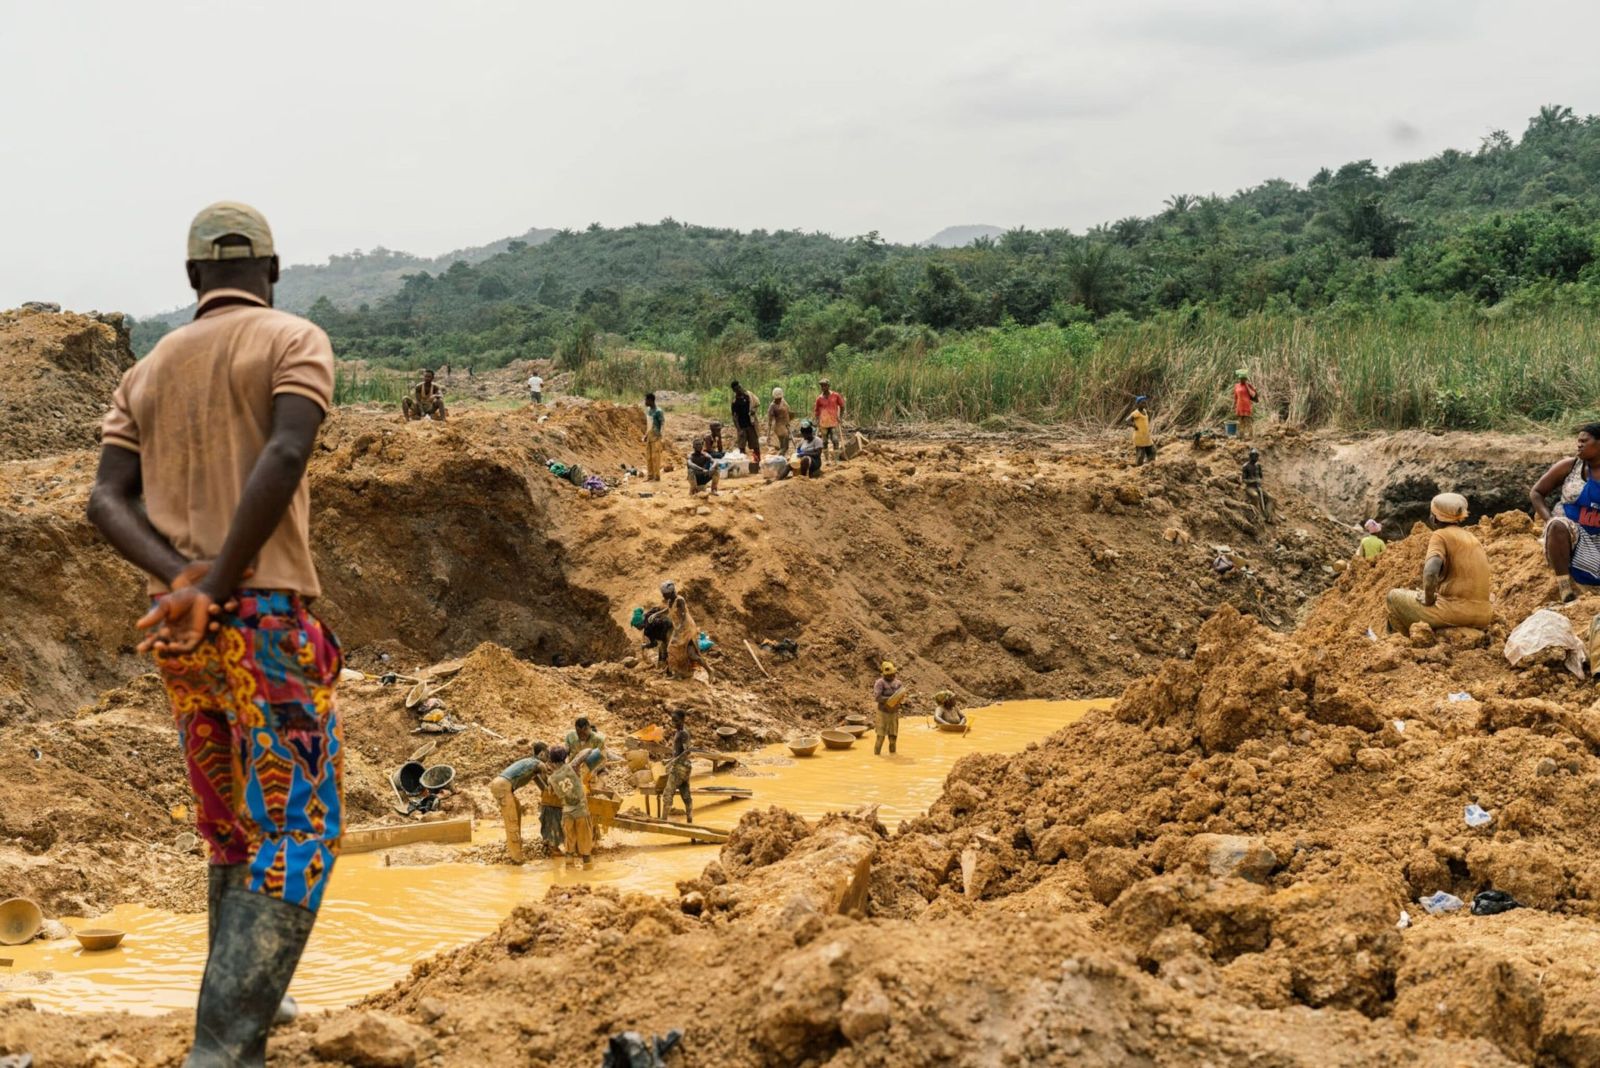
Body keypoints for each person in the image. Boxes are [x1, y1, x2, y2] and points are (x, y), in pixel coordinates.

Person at [87, 202, 342, 1065]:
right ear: (273, 269)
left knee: (232, 824)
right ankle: (222, 1048)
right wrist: (224, 580)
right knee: (300, 824)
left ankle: (245, 1012)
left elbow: (105, 499)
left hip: (184, 633)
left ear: (193, 279)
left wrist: (179, 580)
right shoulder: (293, 339)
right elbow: (283, 454)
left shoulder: (148, 371)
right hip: (261, 616)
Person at [1385, 493, 1494, 637]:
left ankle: (1404, 641)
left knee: (1393, 597)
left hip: (1456, 612)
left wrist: (1428, 598)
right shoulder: (1473, 538)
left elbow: (1430, 572)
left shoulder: (1440, 535)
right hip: (1484, 615)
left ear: (1434, 518)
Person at [1529, 423, 1600, 603]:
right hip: (1572, 535)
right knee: (1558, 525)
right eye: (1578, 441)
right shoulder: (1570, 466)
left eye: (1585, 441)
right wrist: (1549, 520)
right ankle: (1566, 590)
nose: (1579, 445)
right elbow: (1536, 492)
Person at [490, 744, 551, 864]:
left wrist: (546, 794)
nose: (548, 758)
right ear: (542, 753)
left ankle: (516, 844)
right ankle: (516, 858)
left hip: (500, 784)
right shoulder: (539, 764)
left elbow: (542, 787)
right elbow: (547, 783)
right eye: (547, 754)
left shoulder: (532, 765)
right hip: (503, 786)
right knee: (511, 821)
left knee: (517, 809)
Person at [548, 754, 594, 869]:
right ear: (564, 758)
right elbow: (586, 752)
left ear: (552, 762)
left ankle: (570, 869)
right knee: (585, 842)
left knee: (569, 841)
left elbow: (550, 793)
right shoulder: (571, 767)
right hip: (581, 812)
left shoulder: (551, 778)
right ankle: (588, 872)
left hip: (567, 813)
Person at [663, 581, 712, 680]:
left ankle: (710, 671)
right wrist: (656, 614)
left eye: (665, 594)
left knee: (691, 654)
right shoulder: (670, 601)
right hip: (679, 629)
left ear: (671, 592)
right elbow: (668, 609)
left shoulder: (680, 601)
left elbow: (683, 617)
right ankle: (678, 673)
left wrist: (677, 633)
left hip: (687, 629)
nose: (663, 596)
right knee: (674, 650)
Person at [659, 709, 694, 822]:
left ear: (683, 720)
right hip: (685, 767)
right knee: (685, 794)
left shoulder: (683, 733)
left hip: (680, 768)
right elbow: (679, 752)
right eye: (673, 720)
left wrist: (673, 762)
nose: (674, 723)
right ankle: (690, 820)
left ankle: (663, 821)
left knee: (667, 793)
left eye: (676, 720)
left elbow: (687, 752)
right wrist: (669, 759)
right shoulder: (680, 731)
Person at [872, 660, 907, 755]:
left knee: (893, 738)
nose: (892, 676)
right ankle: (876, 757)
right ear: (884, 674)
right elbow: (877, 697)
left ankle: (893, 755)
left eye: (893, 674)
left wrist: (899, 698)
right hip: (882, 713)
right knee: (880, 738)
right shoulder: (880, 683)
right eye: (889, 674)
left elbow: (901, 696)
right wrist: (891, 699)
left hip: (894, 713)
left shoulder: (898, 683)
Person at [539, 745, 568, 856]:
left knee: (552, 825)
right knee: (555, 825)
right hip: (553, 801)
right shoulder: (552, 768)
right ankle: (553, 848)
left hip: (550, 801)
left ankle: (550, 845)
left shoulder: (551, 767)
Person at [640, 586, 676, 667]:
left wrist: (645, 646)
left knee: (668, 648)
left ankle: (669, 667)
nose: (663, 596)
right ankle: (665, 667)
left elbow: (654, 643)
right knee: (663, 648)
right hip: (666, 629)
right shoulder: (647, 616)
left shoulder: (648, 628)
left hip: (669, 629)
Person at [730, 381, 761, 464]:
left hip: (751, 425)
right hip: (742, 426)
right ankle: (743, 464)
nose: (740, 389)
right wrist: (739, 429)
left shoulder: (748, 396)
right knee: (742, 447)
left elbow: (757, 404)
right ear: (734, 390)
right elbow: (734, 417)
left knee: (755, 446)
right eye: (738, 388)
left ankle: (757, 463)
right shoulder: (735, 402)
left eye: (740, 387)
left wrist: (754, 411)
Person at [814, 379, 846, 457]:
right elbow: (817, 411)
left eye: (824, 385)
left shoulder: (835, 395)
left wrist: (840, 417)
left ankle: (836, 459)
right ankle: (827, 458)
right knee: (824, 442)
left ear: (828, 386)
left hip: (833, 421)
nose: (823, 387)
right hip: (823, 423)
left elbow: (842, 406)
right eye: (821, 386)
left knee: (835, 440)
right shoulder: (819, 399)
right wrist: (817, 420)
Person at [1241, 448, 1272, 522]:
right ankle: (1256, 515)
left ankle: (1268, 515)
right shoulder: (1245, 466)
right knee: (1255, 496)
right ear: (1250, 456)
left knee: (1270, 498)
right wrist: (1253, 481)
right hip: (1250, 487)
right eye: (1254, 456)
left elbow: (1260, 476)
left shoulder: (1258, 466)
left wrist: (1259, 481)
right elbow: (1244, 480)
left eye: (1257, 456)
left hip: (1258, 487)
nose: (1256, 458)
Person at [642, 393, 666, 482]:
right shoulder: (649, 411)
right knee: (648, 457)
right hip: (649, 436)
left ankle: (657, 476)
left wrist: (662, 438)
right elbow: (649, 425)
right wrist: (645, 435)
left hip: (656, 437)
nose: (645, 402)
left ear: (651, 400)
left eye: (646, 400)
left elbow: (663, 424)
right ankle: (650, 475)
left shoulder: (658, 411)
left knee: (656, 457)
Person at [1126, 396, 1155, 466]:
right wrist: (1134, 426)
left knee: (1152, 452)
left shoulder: (1144, 411)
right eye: (1142, 403)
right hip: (1139, 436)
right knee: (1140, 454)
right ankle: (1138, 469)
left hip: (1146, 436)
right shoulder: (1136, 413)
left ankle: (1149, 466)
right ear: (1137, 404)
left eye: (1145, 403)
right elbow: (1127, 421)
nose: (1144, 405)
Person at [1232, 369, 1258, 440]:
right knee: (1240, 422)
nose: (1241, 380)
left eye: (1243, 379)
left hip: (1246, 406)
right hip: (1239, 406)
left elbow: (1253, 395)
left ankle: (1250, 436)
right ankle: (1241, 436)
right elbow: (1235, 397)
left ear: (1245, 379)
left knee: (1248, 421)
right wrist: (1233, 405)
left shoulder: (1249, 385)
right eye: (1240, 379)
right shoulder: (1236, 386)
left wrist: (1247, 386)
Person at [768, 387, 793, 455]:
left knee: (786, 445)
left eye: (780, 398)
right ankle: (781, 455)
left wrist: (788, 421)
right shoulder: (772, 406)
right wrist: (769, 432)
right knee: (782, 444)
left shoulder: (784, 402)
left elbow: (789, 411)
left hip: (785, 424)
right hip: (778, 425)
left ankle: (782, 454)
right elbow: (770, 418)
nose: (779, 399)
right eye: (777, 398)